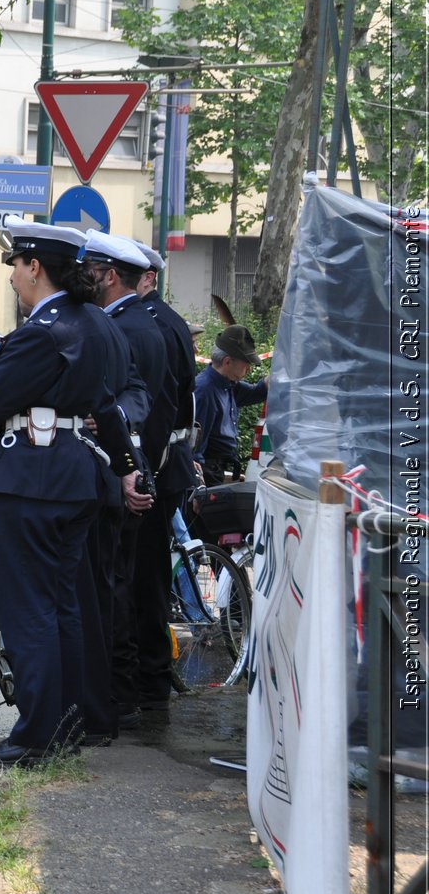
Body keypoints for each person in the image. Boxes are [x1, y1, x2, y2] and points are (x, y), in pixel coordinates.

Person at [0, 221, 138, 767]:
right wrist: (127, 466)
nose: (12, 279)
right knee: (62, 608)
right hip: (71, 478)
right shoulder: (93, 324)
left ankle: (34, 736)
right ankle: (67, 724)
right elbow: (97, 401)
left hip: (28, 481)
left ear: (35, 268)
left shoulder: (38, 331)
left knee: (29, 614)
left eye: (16, 267)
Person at [85, 232, 173, 731]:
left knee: (114, 585)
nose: (87, 277)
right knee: (122, 582)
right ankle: (123, 691)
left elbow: (141, 402)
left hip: (121, 465)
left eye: (93, 269)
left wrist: (121, 445)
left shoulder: (129, 328)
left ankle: (117, 693)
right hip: (132, 463)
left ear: (109, 275)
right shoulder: (147, 322)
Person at [134, 243, 204, 712]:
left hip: (158, 460)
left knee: (144, 576)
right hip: (169, 459)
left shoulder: (153, 324)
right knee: (148, 573)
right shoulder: (167, 320)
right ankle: (150, 674)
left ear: (145, 278)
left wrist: (141, 468)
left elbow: (157, 405)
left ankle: (150, 676)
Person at [193, 324, 267, 486]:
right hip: (207, 472)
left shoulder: (229, 385)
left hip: (217, 469)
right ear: (227, 362)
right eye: (246, 363)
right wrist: (199, 484)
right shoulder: (205, 390)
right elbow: (196, 445)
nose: (249, 369)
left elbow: (258, 392)